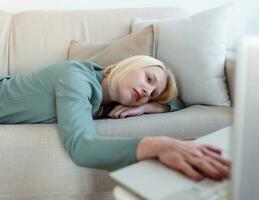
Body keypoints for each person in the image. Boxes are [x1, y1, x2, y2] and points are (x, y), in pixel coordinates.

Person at [0, 55, 230, 181]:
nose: (147, 92)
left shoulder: (109, 100)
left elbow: (178, 103)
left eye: (152, 94)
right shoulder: (76, 79)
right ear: (129, 65)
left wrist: (148, 107)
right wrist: (155, 144)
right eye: (148, 79)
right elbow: (80, 146)